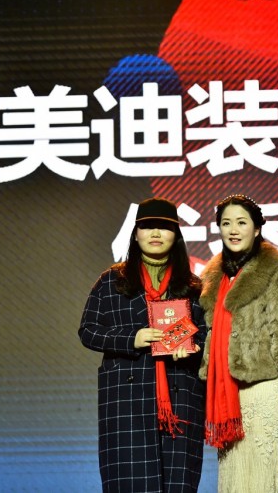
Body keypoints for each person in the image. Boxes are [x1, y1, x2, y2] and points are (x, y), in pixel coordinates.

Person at [79, 197, 207, 493]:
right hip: (126, 399)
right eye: (148, 226)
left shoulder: (193, 285)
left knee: (179, 483)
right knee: (129, 482)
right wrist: (132, 339)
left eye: (164, 227)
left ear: (176, 235)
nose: (156, 233)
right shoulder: (112, 280)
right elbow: (88, 331)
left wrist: (193, 348)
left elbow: (206, 334)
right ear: (136, 234)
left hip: (180, 396)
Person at [199, 194, 278, 493]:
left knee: (262, 475)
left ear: (257, 228)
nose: (233, 230)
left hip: (264, 389)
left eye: (241, 223)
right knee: (234, 476)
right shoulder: (210, 278)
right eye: (226, 223)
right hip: (225, 391)